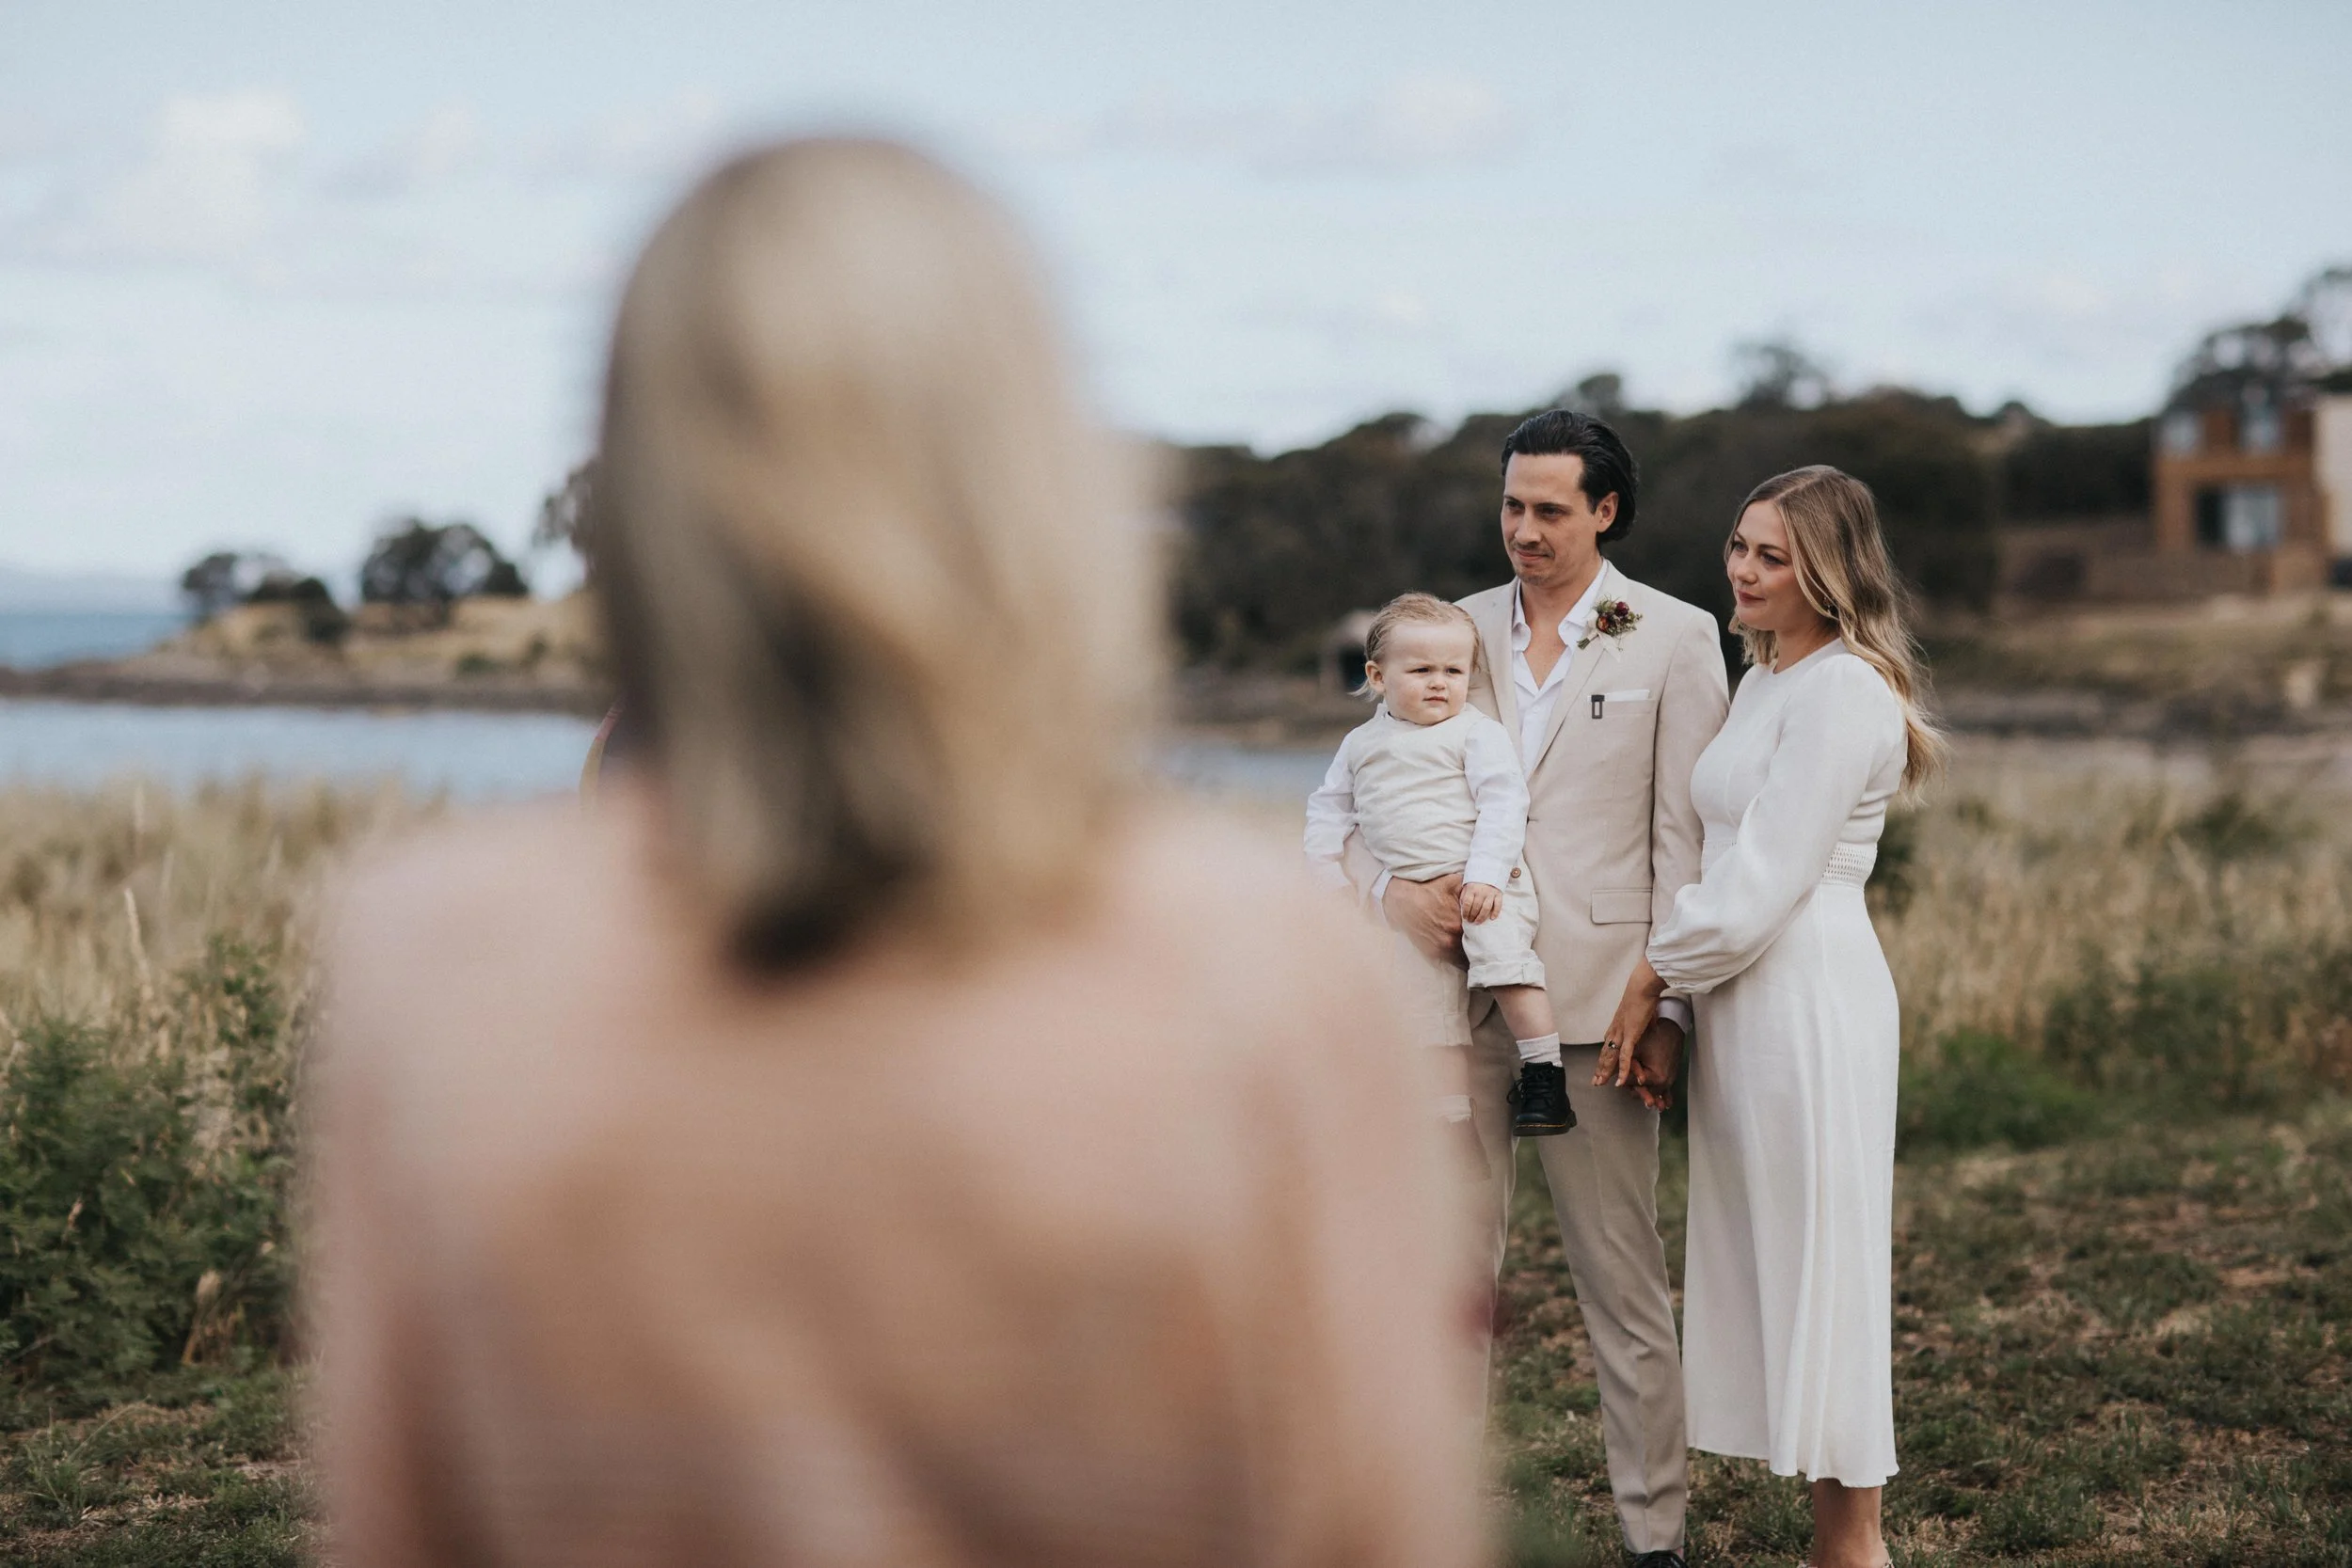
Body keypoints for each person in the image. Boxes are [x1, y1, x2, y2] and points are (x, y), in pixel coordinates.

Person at [309, 138, 1485, 1568]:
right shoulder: (1277, 982)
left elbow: (401, 1525)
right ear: (1032, 470)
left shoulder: (434, 964)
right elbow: (1371, 1527)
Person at [1354, 410, 1730, 1568]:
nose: (1522, 528)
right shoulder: (1444, 630)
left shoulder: (1672, 635)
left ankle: (1653, 1535)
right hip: (1445, 1005)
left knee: (1621, 1281)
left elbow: (1690, 841)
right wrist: (1384, 897)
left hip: (1595, 1011)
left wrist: (1663, 1007)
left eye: (1549, 509)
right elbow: (1367, 795)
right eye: (1511, 505)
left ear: (1604, 510)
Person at [1634, 466, 1944, 1568]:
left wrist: (1649, 975)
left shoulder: (1847, 690)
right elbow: (1716, 856)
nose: (1744, 570)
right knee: (1772, 1255)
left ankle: (1852, 1546)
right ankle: (1829, 1535)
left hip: (1806, 987)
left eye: (1772, 555)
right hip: (1735, 997)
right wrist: (1674, 992)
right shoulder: (1765, 677)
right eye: (1738, 546)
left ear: (1828, 570)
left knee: (1829, 1257)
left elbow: (1763, 882)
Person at [1304, 593, 1569, 1149]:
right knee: (1429, 1015)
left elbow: (1503, 803)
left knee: (1507, 967)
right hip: (1412, 898)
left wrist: (1486, 876)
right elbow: (1329, 812)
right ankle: (1451, 1124)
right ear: (1378, 676)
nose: (1439, 683)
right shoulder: (1360, 745)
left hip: (1485, 883)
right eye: (1421, 670)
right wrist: (1330, 882)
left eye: (1454, 671)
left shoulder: (1475, 732)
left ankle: (1544, 1074)